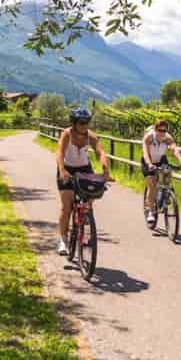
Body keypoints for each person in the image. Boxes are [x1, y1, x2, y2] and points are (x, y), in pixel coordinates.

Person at [56, 108, 110, 255]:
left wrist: (105, 171)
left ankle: (84, 217)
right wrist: (62, 170)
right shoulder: (67, 134)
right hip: (67, 168)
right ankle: (63, 239)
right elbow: (60, 152)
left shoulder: (90, 136)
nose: (85, 125)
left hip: (84, 168)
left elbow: (100, 152)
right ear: (74, 123)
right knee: (66, 206)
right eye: (81, 122)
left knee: (93, 194)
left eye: (87, 122)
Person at [141, 119, 181, 225]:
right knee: (152, 186)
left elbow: (175, 149)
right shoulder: (149, 137)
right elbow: (145, 153)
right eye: (159, 130)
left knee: (167, 175)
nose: (162, 132)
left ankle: (166, 195)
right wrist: (149, 164)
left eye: (164, 130)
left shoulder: (167, 138)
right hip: (148, 161)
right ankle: (151, 211)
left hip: (161, 159)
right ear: (155, 129)